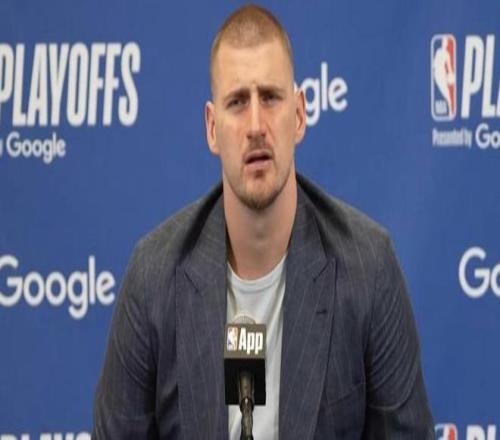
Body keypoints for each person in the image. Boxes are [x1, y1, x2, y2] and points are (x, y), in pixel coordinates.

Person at [92, 5, 435, 439]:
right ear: (212, 129)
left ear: (299, 115)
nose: (256, 125)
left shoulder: (368, 268)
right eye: (237, 102)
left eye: (270, 97)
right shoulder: (153, 276)